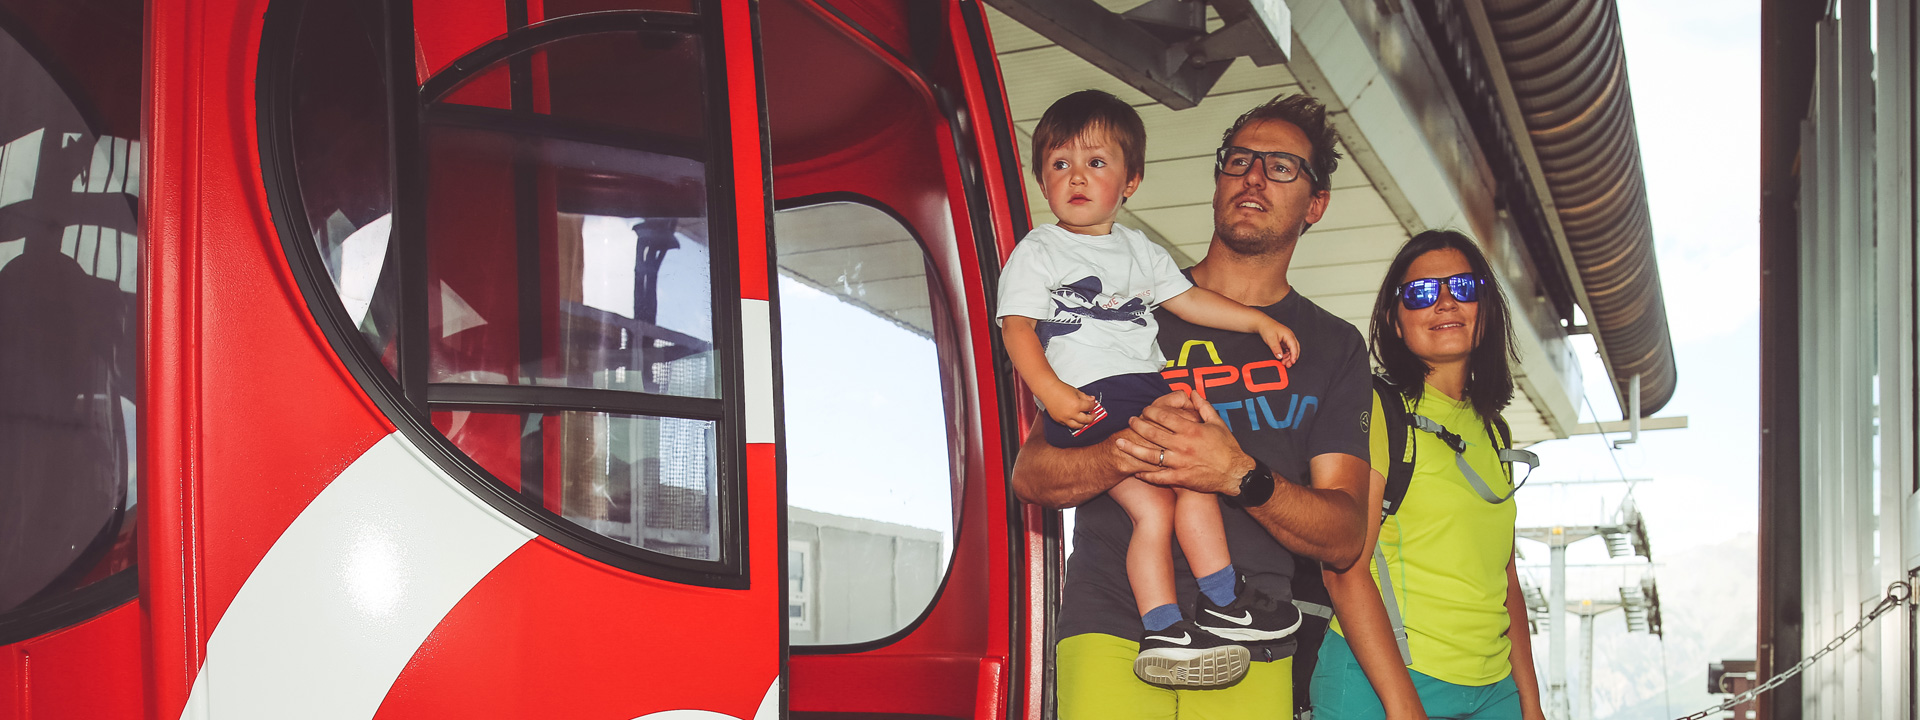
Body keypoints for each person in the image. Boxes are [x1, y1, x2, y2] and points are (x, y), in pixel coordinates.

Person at [1010, 92, 1373, 719]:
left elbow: (1344, 537)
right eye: (1239, 160)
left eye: (1282, 165)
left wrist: (1236, 474)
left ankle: (1224, 596)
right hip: (1109, 618)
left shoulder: (1334, 346)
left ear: (1316, 204)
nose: (1254, 176)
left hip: (1248, 636)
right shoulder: (1121, 305)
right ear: (1216, 179)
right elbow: (1033, 474)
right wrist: (1131, 450)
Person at [1311, 230, 1548, 720]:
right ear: (1396, 322)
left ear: (1486, 309)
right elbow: (1341, 569)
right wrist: (1403, 707)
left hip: (1494, 690)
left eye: (1463, 288)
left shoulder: (1494, 430)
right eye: (1421, 293)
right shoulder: (1376, 408)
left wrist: (1530, 704)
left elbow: (1504, 578)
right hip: (1384, 688)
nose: (1444, 302)